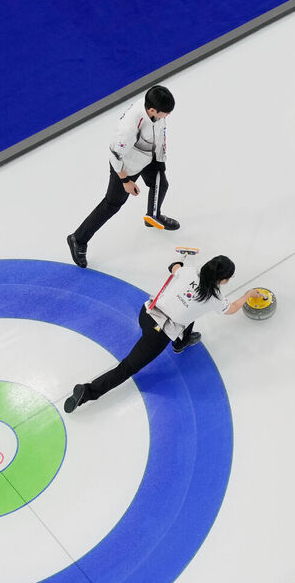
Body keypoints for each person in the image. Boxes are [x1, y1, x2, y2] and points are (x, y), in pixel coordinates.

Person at [65, 254, 262, 412]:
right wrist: (248, 294)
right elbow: (233, 308)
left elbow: (173, 267)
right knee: (126, 368)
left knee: (189, 312)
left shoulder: (188, 272)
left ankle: (181, 342)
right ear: (223, 280)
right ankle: (87, 392)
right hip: (158, 333)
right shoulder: (216, 298)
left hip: (147, 313)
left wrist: (181, 259)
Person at [67, 85, 179, 268]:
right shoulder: (129, 127)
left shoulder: (156, 112)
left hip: (148, 156)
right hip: (127, 166)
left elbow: (160, 133)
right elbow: (115, 154)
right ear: (152, 110)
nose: (167, 116)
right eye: (165, 113)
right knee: (112, 205)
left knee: (161, 184)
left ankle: (153, 215)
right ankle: (78, 239)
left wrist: (160, 159)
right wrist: (125, 181)